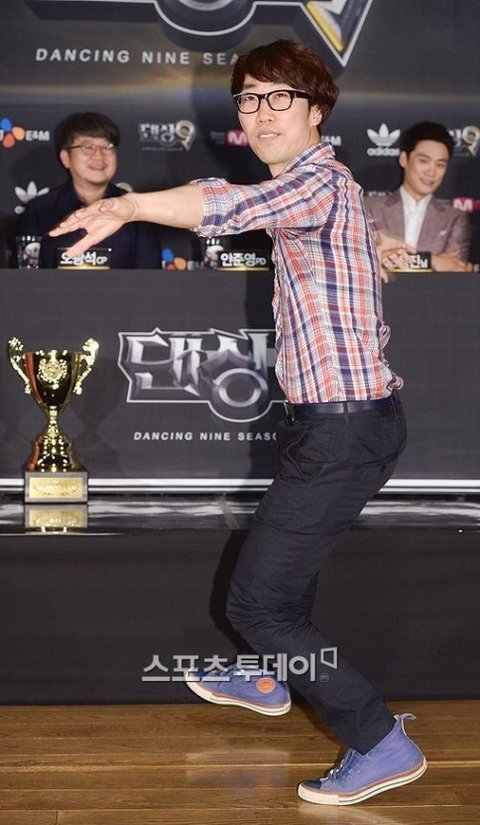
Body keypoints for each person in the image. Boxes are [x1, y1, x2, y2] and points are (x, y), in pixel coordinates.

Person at [50, 40, 427, 806]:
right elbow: (282, 217)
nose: (260, 113)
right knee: (280, 589)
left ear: (317, 110)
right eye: (249, 98)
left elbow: (227, 205)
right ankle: (264, 674)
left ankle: (379, 738)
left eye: (279, 97)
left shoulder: (316, 183)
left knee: (257, 603)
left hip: (344, 431)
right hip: (334, 426)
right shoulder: (326, 190)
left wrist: (127, 204)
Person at [19, 111, 161, 269]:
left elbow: (149, 276)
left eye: (108, 146)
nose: (99, 155)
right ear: (66, 158)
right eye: (88, 147)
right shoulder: (40, 209)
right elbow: (27, 274)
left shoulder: (136, 211)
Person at [366, 121, 471, 277]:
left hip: (433, 292)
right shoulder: (369, 207)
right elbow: (361, 259)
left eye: (440, 165)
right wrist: (431, 261)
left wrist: (389, 257)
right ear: (404, 159)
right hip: (379, 291)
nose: (431, 172)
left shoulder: (454, 218)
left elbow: (453, 269)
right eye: (423, 161)